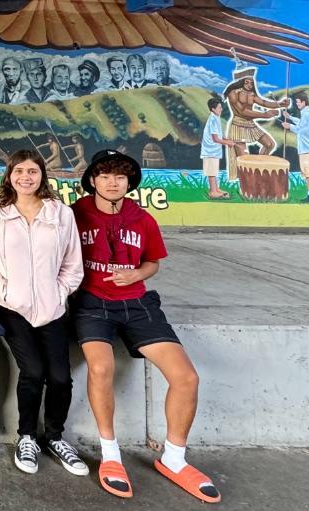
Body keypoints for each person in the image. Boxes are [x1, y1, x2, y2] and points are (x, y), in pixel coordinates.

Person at [71, 150, 221, 504]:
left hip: (137, 303)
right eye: (105, 175)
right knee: (101, 366)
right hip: (92, 303)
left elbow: (152, 262)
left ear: (129, 183)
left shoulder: (143, 219)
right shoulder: (74, 214)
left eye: (119, 177)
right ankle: (110, 453)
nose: (112, 182)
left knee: (187, 378)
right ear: (92, 179)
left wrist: (136, 274)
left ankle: (174, 458)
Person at [0, 151, 87, 477]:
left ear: (42, 175)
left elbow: (72, 263)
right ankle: (27, 436)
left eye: (32, 171)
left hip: (52, 309)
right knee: (34, 371)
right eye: (19, 171)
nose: (26, 177)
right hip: (11, 308)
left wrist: (59, 292)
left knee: (59, 376)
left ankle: (54, 436)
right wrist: (7, 291)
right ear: (9, 175)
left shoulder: (60, 213)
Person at [224, 67, 290, 179]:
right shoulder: (233, 93)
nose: (250, 85)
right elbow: (242, 111)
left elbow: (264, 102)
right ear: (241, 82)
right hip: (238, 125)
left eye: (251, 83)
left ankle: (257, 169)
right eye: (247, 82)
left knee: (269, 144)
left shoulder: (252, 94)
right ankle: (246, 182)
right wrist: (265, 115)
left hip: (251, 125)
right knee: (244, 157)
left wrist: (280, 104)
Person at [201, 98, 241, 200]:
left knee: (214, 171)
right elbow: (215, 138)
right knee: (211, 171)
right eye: (219, 107)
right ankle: (213, 192)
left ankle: (216, 189)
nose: (221, 109)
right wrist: (227, 143)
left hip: (214, 151)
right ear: (213, 109)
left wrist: (227, 140)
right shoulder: (213, 120)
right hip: (210, 151)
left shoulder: (216, 118)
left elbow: (219, 136)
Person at [282, 91, 309, 203]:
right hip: (306, 149)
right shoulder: (305, 114)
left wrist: (289, 126)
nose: (297, 104)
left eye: (298, 102)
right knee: (307, 173)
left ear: (303, 102)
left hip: (307, 150)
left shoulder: (307, 115)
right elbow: (301, 123)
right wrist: (290, 118)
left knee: (308, 174)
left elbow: (300, 130)